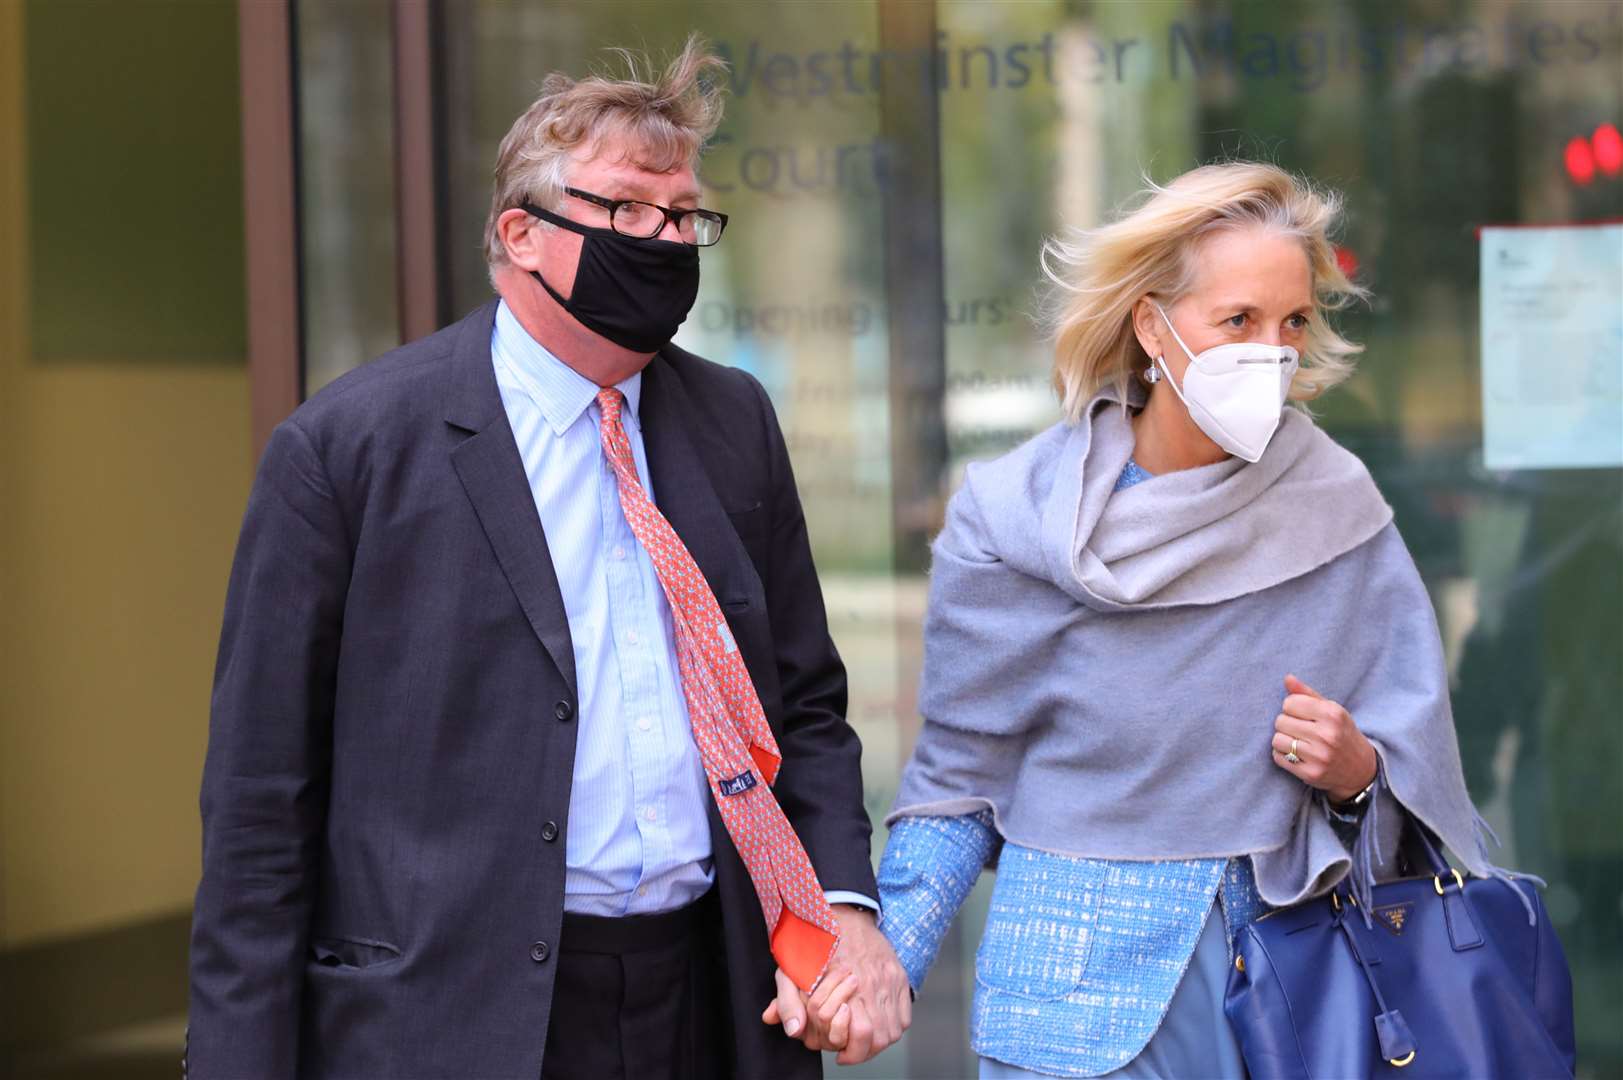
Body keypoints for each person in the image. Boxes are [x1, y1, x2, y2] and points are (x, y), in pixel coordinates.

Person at [187, 37, 906, 1080]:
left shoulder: (733, 421)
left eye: (683, 216)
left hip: (709, 1000)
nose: (663, 241)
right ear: (521, 234)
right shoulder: (348, 450)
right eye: (625, 211)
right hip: (453, 1019)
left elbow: (799, 706)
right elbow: (262, 806)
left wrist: (841, 908)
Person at [865, 162, 1504, 1078]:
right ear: (1150, 324)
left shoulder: (1338, 508)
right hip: (1064, 1007)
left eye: (1291, 324)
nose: (1270, 352)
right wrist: (886, 961)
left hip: (1295, 997)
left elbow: (1416, 787)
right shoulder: (1011, 517)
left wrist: (1357, 773)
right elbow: (960, 775)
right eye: (1236, 321)